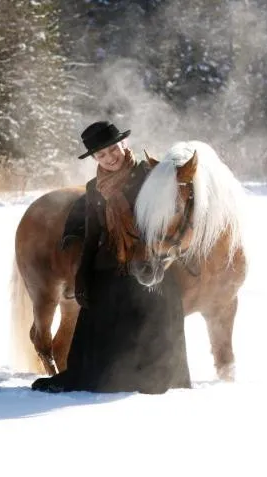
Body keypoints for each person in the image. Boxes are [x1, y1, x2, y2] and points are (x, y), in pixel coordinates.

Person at [32, 120, 191, 394]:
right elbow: (93, 235)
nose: (109, 158)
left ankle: (155, 378)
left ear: (123, 144)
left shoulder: (149, 175)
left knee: (155, 325)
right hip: (110, 268)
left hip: (148, 268)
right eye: (101, 155)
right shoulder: (95, 188)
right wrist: (82, 277)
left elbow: (171, 215)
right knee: (100, 352)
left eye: (112, 149)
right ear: (94, 158)